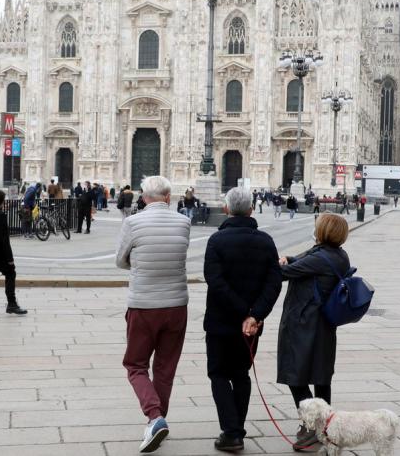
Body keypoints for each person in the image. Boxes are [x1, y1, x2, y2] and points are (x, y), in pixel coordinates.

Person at [202, 187, 283, 452]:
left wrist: (242, 313)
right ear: (251, 209)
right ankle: (235, 431)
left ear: (226, 209)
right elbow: (274, 283)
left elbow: (215, 282)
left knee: (218, 373)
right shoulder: (266, 241)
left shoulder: (217, 241)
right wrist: (254, 315)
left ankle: (232, 432)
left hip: (220, 321)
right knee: (241, 374)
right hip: (251, 327)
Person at [115, 175, 191, 454]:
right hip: (176, 306)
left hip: (143, 305)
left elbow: (119, 260)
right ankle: (159, 419)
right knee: (165, 368)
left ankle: (154, 416)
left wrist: (138, 266)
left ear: (144, 197)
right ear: (169, 197)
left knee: (135, 365)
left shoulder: (132, 223)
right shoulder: (184, 222)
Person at [277, 214, 351, 452]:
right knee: (321, 377)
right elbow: (300, 260)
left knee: (295, 376)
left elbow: (284, 273)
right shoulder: (337, 254)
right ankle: (325, 426)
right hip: (322, 325)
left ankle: (313, 427)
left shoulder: (321, 258)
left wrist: (276, 262)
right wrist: (288, 258)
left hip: (305, 324)